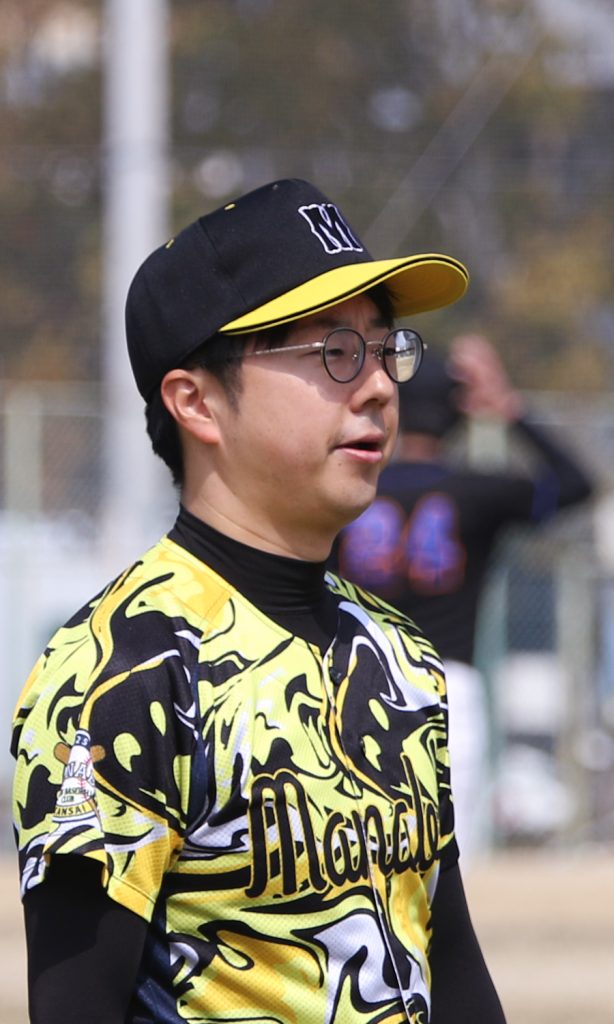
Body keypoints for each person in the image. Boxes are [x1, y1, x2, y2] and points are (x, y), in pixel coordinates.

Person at [11, 178, 506, 1024]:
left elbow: (451, 967)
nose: (380, 387)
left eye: (384, 347)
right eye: (334, 352)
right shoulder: (121, 673)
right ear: (196, 402)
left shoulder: (398, 653)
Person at [334, 334, 594, 863]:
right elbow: (576, 484)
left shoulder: (350, 489)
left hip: (357, 679)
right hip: (447, 682)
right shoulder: (477, 491)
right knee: (451, 857)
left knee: (363, 849)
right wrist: (509, 409)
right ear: (458, 417)